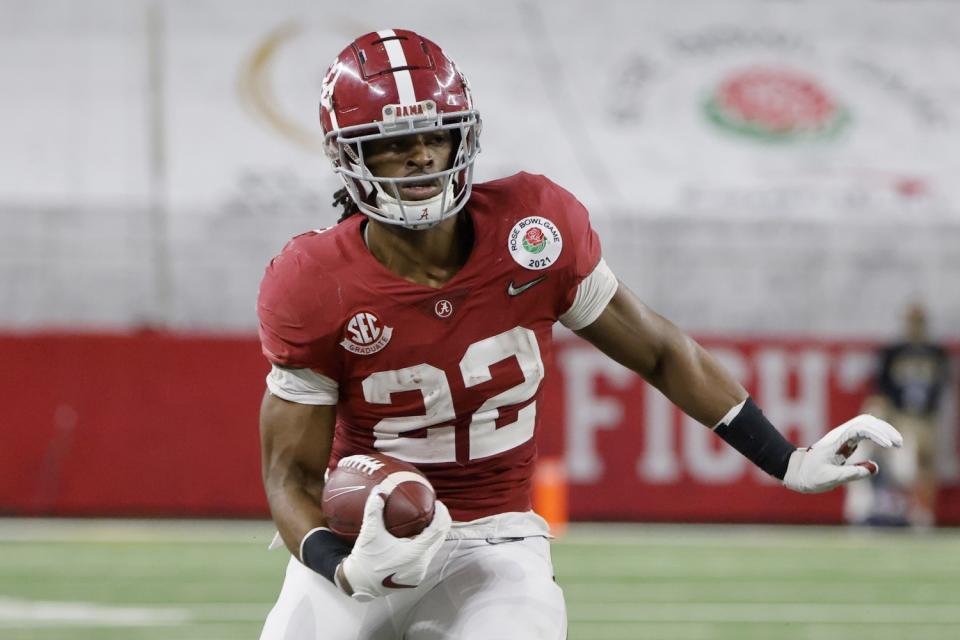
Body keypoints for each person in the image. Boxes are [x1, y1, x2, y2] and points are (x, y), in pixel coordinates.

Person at [256, 29, 903, 640]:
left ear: (464, 139)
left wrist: (784, 459)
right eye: (395, 142)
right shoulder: (314, 282)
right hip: (364, 530)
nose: (422, 155)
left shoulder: (533, 232)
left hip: (496, 540)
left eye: (435, 135)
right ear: (351, 155)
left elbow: (658, 350)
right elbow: (291, 475)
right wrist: (337, 563)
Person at [847, 304, 949, 527]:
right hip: (900, 417)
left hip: (925, 417)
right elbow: (881, 390)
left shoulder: (936, 353)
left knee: (925, 465)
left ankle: (923, 513)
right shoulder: (893, 352)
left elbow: (940, 387)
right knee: (903, 466)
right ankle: (893, 509)